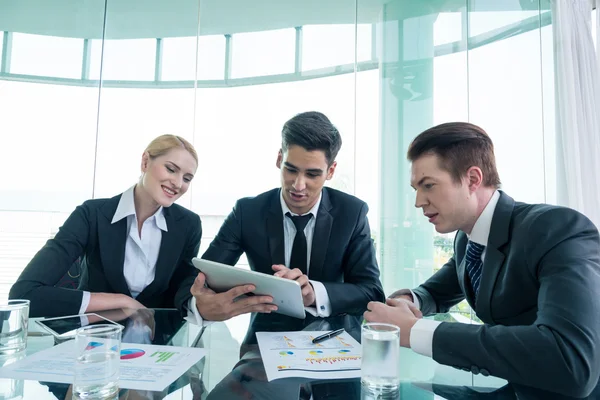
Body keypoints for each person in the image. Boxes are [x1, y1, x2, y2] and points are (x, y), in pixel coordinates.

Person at [363, 122, 600, 398]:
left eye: (428, 185)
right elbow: (434, 292)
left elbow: (571, 361)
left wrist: (415, 331)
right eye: (416, 188)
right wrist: (407, 302)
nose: (418, 201)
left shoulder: (555, 229)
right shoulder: (467, 239)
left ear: (473, 179)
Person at [192, 111, 385, 322]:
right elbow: (204, 275)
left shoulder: (352, 213)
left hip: (334, 338)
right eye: (291, 170)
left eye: (312, 174)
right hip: (263, 336)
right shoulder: (247, 212)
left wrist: (313, 293)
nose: (298, 185)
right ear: (279, 159)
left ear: (331, 171)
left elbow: (371, 293)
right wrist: (200, 303)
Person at [10, 134, 202, 318]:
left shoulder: (188, 226)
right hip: (94, 340)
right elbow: (24, 293)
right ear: (145, 162)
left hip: (157, 343)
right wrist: (121, 301)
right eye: (170, 169)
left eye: (187, 179)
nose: (177, 183)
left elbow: (181, 295)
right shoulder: (91, 215)